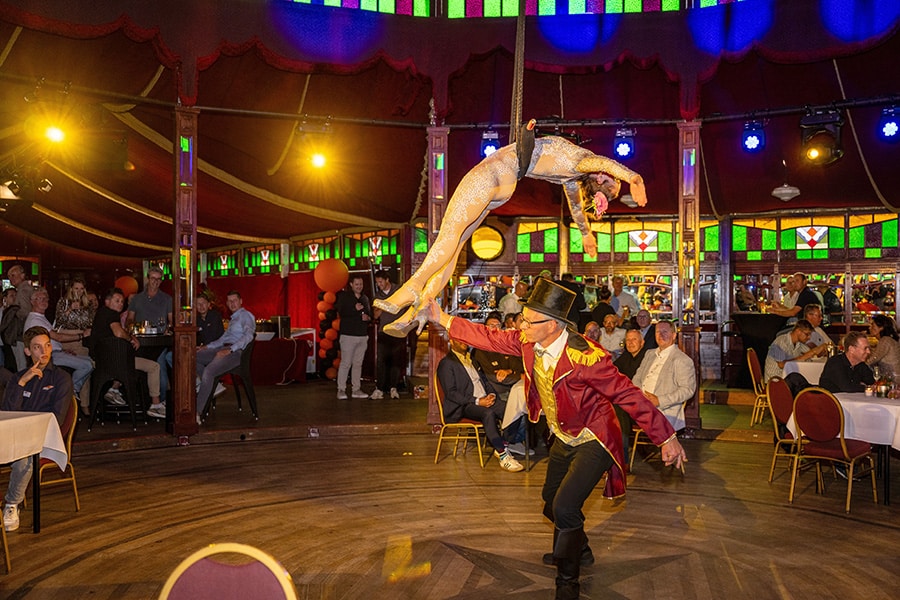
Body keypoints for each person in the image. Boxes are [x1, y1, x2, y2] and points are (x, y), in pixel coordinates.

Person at [417, 278, 685, 599]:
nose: (522, 325)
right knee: (551, 503)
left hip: (594, 437)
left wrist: (665, 437)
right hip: (562, 435)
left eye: (530, 321)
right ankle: (579, 549)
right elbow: (490, 337)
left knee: (566, 505)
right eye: (524, 319)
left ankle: (567, 581)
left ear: (554, 325)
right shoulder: (529, 342)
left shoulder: (589, 359)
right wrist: (442, 318)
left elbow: (628, 395)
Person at [374, 127, 648, 337]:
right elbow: (577, 209)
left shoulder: (581, 161)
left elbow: (604, 162)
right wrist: (586, 235)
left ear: (600, 177)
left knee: (448, 236)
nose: (606, 174)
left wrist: (634, 178)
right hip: (504, 185)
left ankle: (412, 288)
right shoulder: (573, 175)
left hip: (494, 174)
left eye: (609, 179)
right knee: (455, 247)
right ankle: (421, 309)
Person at [2, 326, 73, 532]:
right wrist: (22, 384)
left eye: (47, 345)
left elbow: (57, 419)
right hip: (15, 435)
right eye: (37, 347)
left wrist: (30, 434)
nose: (44, 351)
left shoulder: (61, 378)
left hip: (44, 437)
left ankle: (11, 505)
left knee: (25, 459)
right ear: (27, 352)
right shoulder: (18, 378)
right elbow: (7, 413)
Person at [438, 338, 523, 473]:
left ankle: (503, 444)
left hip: (484, 399)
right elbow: (451, 394)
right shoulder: (447, 363)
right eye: (458, 339)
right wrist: (478, 401)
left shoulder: (472, 359)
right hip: (465, 405)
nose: (463, 342)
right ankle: (503, 455)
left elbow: (484, 381)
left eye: (464, 339)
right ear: (451, 341)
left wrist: (491, 395)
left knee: (513, 409)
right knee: (487, 414)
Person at [92, 288, 165, 417]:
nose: (120, 304)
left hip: (102, 360)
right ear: (107, 301)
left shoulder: (101, 313)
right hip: (113, 361)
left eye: (122, 301)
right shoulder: (111, 314)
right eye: (117, 301)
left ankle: (114, 389)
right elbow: (119, 333)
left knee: (132, 358)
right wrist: (132, 339)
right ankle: (155, 405)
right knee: (154, 366)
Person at [23, 287, 94, 411]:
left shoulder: (40, 317)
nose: (44, 301)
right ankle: (71, 391)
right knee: (87, 364)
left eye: (46, 299)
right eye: (40, 299)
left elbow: (54, 340)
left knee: (90, 361)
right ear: (32, 301)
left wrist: (62, 350)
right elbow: (58, 337)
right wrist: (82, 335)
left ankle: (71, 390)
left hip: (56, 353)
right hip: (49, 357)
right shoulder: (35, 319)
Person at [196, 291, 256, 418]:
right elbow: (222, 340)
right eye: (229, 301)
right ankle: (213, 385)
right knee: (192, 357)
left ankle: (197, 413)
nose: (232, 303)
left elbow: (249, 335)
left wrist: (231, 349)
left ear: (241, 301)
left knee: (208, 371)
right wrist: (206, 347)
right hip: (225, 348)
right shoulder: (234, 319)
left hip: (236, 353)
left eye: (234, 300)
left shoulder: (245, 315)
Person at [632, 320, 697, 431]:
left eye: (665, 331)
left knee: (619, 417)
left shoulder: (682, 360)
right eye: (658, 332)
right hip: (640, 405)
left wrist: (659, 400)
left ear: (674, 335)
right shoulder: (649, 354)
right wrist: (638, 396)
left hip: (664, 410)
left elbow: (688, 390)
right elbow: (636, 378)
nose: (661, 335)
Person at [126, 266, 174, 408]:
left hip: (158, 342)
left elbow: (170, 321)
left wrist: (168, 328)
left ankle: (161, 403)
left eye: (158, 280)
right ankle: (146, 402)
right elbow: (129, 319)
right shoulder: (137, 299)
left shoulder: (167, 299)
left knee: (160, 369)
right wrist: (132, 329)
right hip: (140, 342)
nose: (155, 282)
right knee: (140, 370)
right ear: (148, 279)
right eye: (153, 279)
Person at [472, 312, 524, 402]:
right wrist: (519, 376)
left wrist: (509, 371)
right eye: (492, 325)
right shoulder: (480, 350)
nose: (495, 329)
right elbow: (492, 376)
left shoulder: (507, 345)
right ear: (485, 329)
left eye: (498, 325)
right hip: (496, 392)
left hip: (514, 386)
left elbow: (519, 366)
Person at [335, 274, 372, 400]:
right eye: (356, 284)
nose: (359, 287)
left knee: (358, 363)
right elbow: (341, 312)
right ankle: (341, 389)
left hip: (362, 335)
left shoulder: (365, 298)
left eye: (361, 284)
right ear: (351, 284)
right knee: (346, 363)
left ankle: (356, 389)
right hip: (348, 335)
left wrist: (368, 318)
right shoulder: (345, 297)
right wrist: (353, 309)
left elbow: (369, 314)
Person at [613, 328, 648, 453]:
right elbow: (613, 370)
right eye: (628, 340)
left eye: (634, 339)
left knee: (617, 410)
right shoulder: (626, 356)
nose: (630, 343)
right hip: (625, 401)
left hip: (642, 404)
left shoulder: (647, 358)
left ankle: (622, 456)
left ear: (642, 342)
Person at [371, 270, 405, 400]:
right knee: (381, 361)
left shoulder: (398, 290)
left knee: (396, 361)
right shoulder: (377, 296)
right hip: (383, 331)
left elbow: (405, 305)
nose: (379, 285)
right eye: (377, 282)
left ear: (387, 280)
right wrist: (384, 305)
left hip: (398, 330)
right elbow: (375, 314)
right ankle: (379, 388)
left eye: (380, 282)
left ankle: (393, 388)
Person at [54, 278, 94, 355]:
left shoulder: (88, 304)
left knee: (83, 362)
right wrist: (70, 309)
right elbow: (58, 320)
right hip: (66, 337)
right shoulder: (63, 301)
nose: (79, 291)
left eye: (81, 289)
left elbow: (91, 321)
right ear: (71, 289)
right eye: (76, 288)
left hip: (82, 338)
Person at [7, 264, 35, 370]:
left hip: (21, 333)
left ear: (22, 276)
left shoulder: (23, 290)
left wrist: (13, 313)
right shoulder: (23, 289)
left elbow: (25, 312)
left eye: (13, 275)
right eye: (9, 276)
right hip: (23, 333)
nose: (11, 278)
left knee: (22, 366)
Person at [865, 314, 900, 379]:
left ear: (881, 328)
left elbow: (872, 359)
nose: (870, 327)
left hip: (893, 381)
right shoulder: (888, 340)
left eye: (872, 325)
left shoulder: (885, 341)